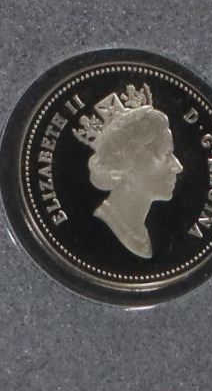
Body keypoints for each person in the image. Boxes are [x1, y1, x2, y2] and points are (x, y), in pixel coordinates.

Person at [75, 84, 183, 261]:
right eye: (164, 154)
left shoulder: (140, 233)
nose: (178, 166)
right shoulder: (99, 233)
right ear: (126, 162)